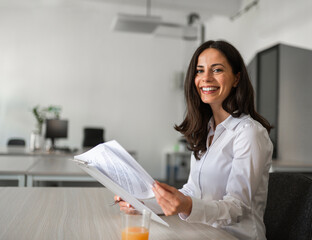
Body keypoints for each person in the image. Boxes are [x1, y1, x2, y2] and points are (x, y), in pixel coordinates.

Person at [116, 40, 273, 240]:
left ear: (236, 78)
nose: (205, 78)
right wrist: (141, 204)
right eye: (200, 71)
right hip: (202, 232)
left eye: (216, 70)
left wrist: (188, 206)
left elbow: (237, 208)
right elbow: (192, 190)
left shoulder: (249, 133)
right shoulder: (207, 130)